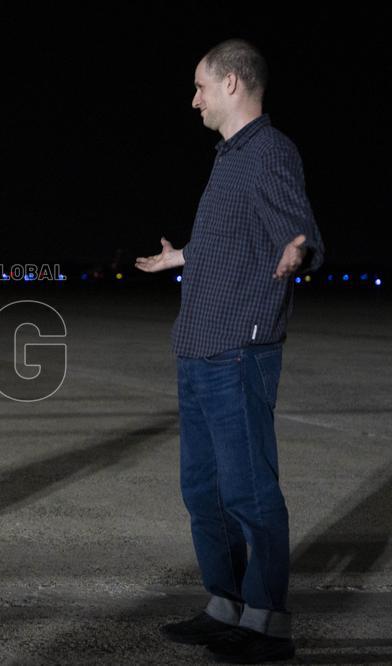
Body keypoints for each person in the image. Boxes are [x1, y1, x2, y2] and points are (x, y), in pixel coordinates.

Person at [135, 39, 324, 663]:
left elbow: (299, 230)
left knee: (249, 493)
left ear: (234, 83)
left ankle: (268, 620)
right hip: (199, 346)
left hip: (239, 350)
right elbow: (234, 238)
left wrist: (299, 249)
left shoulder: (270, 152)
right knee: (203, 492)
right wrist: (182, 256)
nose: (194, 100)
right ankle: (226, 604)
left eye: (200, 87)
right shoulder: (229, 157)